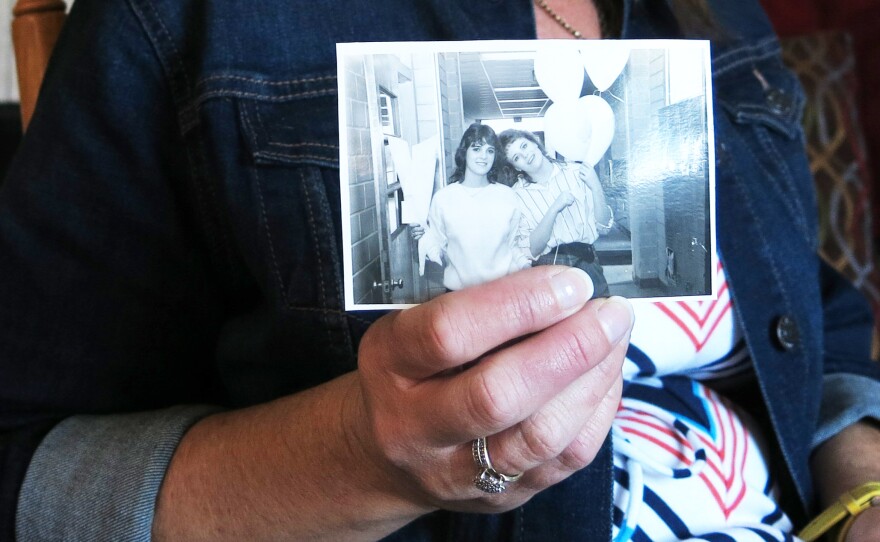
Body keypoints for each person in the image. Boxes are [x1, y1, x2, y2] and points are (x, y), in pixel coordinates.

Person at [1, 1, 879, 542]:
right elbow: (26, 471)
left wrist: (863, 487)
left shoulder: (716, 11)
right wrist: (358, 461)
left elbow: (819, 313)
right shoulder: (183, 15)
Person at [410, 123, 531, 291]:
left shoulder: (508, 196)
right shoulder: (443, 199)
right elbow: (439, 252)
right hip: (460, 296)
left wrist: (525, 266)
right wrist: (425, 240)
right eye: (476, 149)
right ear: (464, 153)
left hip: (504, 292)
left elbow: (512, 245)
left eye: (490, 151)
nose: (484, 156)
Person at [499, 128, 612, 297]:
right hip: (548, 271)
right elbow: (533, 249)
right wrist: (554, 209)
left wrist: (595, 185)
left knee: (601, 318)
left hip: (587, 264)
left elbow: (604, 227)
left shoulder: (577, 173)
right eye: (516, 157)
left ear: (535, 142)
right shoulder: (517, 196)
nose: (525, 155)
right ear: (515, 167)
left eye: (524, 146)